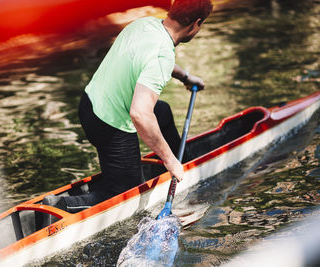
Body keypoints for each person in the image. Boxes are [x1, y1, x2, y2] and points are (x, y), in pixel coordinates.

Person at [43, 0, 213, 213]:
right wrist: (170, 162)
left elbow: (150, 61)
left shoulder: (146, 24)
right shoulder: (162, 54)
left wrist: (186, 77)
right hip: (109, 124)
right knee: (126, 190)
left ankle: (185, 162)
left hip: (89, 105)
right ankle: (62, 206)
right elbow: (140, 114)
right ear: (196, 24)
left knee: (162, 112)